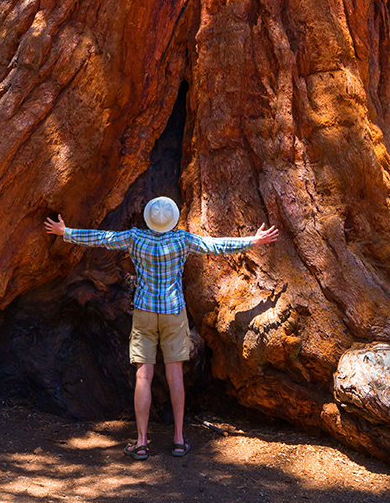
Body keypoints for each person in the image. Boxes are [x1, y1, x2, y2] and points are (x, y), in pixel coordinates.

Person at [44, 196, 278, 460]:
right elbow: (216, 245)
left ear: (149, 218)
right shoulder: (183, 240)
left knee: (143, 377)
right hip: (173, 313)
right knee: (175, 376)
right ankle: (179, 439)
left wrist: (66, 232)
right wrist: (253, 241)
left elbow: (103, 238)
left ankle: (142, 442)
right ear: (173, 219)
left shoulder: (135, 238)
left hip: (144, 312)